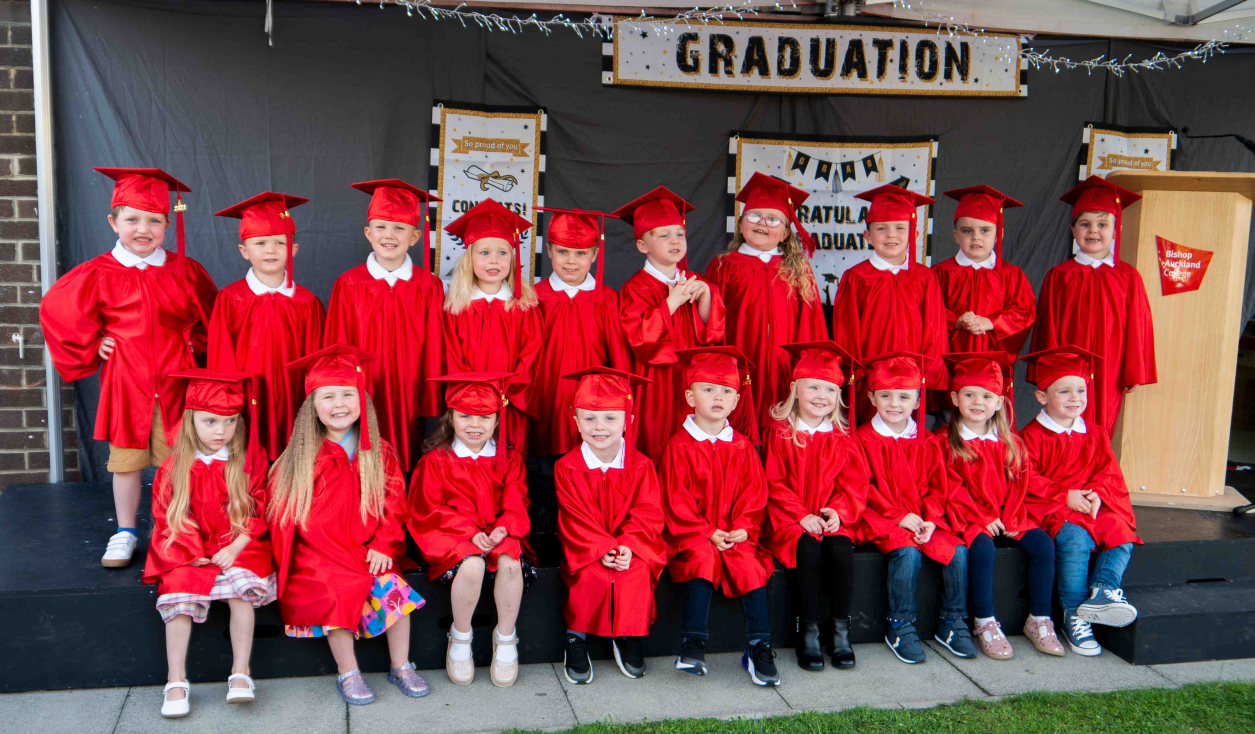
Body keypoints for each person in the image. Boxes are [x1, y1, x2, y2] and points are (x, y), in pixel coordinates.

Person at [40, 166, 217, 568]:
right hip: (126, 382)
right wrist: (92, 341)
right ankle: (125, 532)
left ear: (167, 225)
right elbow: (56, 311)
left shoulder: (184, 269)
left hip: (176, 382)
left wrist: (195, 341)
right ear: (113, 222)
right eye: (132, 219)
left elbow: (213, 318)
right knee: (126, 463)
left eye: (154, 221)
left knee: (179, 463)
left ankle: (175, 530)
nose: (143, 229)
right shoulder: (98, 272)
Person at [269, 345, 427, 705]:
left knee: (395, 593)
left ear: (362, 401)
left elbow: (394, 502)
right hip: (319, 556)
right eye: (328, 396)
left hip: (368, 549)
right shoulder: (298, 457)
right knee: (333, 591)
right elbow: (285, 516)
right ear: (312, 405)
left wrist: (384, 544)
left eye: (347, 394)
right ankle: (348, 671)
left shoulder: (378, 451)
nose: (339, 404)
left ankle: (401, 665)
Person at [142, 370, 274, 718]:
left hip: (238, 544)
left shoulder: (249, 459)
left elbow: (261, 506)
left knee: (240, 593)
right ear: (191, 420)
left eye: (230, 421)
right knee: (179, 595)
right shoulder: (174, 466)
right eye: (210, 421)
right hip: (188, 549)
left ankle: (241, 673)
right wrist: (195, 552)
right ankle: (176, 680)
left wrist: (235, 547)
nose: (221, 431)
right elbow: (167, 515)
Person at [408, 372, 535, 688]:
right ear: (450, 417)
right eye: (465, 415)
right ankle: (460, 635)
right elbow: (428, 509)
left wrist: (504, 528)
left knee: (508, 561)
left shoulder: (508, 458)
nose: (474, 424)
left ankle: (506, 637)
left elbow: (517, 498)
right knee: (474, 562)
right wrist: (468, 532)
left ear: (498, 418)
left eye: (485, 416)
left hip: (500, 534)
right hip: (453, 538)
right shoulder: (437, 460)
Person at [660, 346, 779, 687]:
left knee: (750, 564)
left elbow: (754, 496)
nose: (718, 397)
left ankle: (759, 646)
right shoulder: (678, 446)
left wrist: (743, 528)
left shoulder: (742, 447)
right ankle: (692, 644)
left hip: (735, 535)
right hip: (696, 536)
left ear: (737, 401)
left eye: (727, 391)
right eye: (708, 389)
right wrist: (707, 531)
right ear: (689, 395)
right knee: (701, 559)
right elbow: (675, 500)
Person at [939, 352, 1062, 660]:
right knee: (982, 548)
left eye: (986, 396)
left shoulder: (1011, 442)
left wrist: (1008, 516)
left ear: (999, 402)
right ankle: (984, 622)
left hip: (1010, 515)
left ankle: (1040, 619)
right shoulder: (943, 442)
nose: (977, 402)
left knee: (1044, 545)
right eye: (969, 394)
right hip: (967, 517)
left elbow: (1022, 483)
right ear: (955, 398)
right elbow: (947, 487)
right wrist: (982, 516)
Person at [1020, 346, 1142, 656]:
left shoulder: (1096, 433)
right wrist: (1065, 495)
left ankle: (1103, 590)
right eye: (1065, 391)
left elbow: (1107, 471)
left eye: (1081, 390)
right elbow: (1026, 477)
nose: (1075, 398)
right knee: (1075, 538)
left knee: (1119, 527)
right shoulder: (1031, 437)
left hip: (1089, 503)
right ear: (1042, 396)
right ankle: (1073, 613)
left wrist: (1098, 493)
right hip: (1051, 506)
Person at [856, 351, 976, 664]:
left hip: (924, 520)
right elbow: (862, 488)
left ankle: (953, 621)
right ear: (872, 397)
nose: (894, 404)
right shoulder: (862, 440)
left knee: (957, 550)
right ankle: (900, 625)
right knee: (907, 553)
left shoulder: (928, 441)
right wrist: (899, 516)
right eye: (885, 395)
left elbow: (940, 486)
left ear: (918, 401)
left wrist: (932, 519)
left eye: (903, 396)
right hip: (882, 519)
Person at [760, 341, 871, 671]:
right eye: (813, 387)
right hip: (790, 521)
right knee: (806, 550)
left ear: (838, 395)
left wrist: (837, 512)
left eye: (829, 389)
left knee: (841, 550)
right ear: (795, 388)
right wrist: (800, 516)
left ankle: (839, 631)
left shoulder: (842, 437)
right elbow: (774, 483)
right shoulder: (780, 433)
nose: (821, 395)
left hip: (831, 520)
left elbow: (853, 482)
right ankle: (806, 632)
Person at [323, 179, 446, 472]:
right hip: (364, 388)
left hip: (409, 386)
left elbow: (434, 344)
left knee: (408, 455)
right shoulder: (349, 284)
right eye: (380, 227)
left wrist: (428, 393)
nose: (389, 235)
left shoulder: (428, 286)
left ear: (415, 236)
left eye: (399, 228)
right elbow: (337, 343)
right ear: (368, 233)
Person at [553, 367, 664, 684]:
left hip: (630, 545)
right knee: (589, 574)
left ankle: (628, 633)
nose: (599, 427)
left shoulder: (641, 465)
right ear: (575, 422)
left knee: (637, 571)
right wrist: (601, 549)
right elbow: (576, 516)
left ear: (627, 420)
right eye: (589, 419)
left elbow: (648, 511)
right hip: (587, 548)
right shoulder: (568, 467)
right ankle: (576, 637)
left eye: (610, 418)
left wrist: (628, 545)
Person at [530, 207, 632, 536]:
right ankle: (547, 549)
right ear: (548, 250)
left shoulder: (607, 299)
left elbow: (619, 360)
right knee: (544, 478)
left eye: (580, 253)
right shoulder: (535, 297)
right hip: (546, 402)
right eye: (562, 252)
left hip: (593, 408)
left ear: (594, 254)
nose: (571, 261)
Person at [1029, 176, 1156, 435]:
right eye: (1084, 224)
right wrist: (1046, 371)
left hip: (1112, 364)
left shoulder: (1128, 276)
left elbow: (1138, 326)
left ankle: (1095, 471)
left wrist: (1133, 371)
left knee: (1103, 424)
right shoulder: (1060, 275)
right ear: (1073, 231)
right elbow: (1047, 326)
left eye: (1102, 224)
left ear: (1115, 230)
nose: (1093, 231)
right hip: (1068, 367)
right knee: (1063, 421)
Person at [705, 174, 827, 441]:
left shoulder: (798, 269)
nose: (761, 223)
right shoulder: (724, 265)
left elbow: (811, 324)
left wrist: (808, 371)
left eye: (773, 219)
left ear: (784, 233)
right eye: (753, 216)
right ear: (740, 224)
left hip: (785, 367)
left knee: (781, 428)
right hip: (740, 364)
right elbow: (712, 320)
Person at [209, 192, 325, 461]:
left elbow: (316, 360)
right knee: (247, 456)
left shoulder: (307, 301)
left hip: (293, 397)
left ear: (293, 250)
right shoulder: (231, 299)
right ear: (244, 251)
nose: (270, 250)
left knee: (294, 457)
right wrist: (229, 401)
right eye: (260, 243)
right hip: (248, 397)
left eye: (279, 243)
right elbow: (220, 357)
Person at [614, 187, 726, 462]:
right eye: (663, 235)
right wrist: (671, 302)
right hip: (658, 382)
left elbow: (710, 333)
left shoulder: (693, 279)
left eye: (679, 234)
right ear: (643, 245)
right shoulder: (636, 288)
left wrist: (707, 294)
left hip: (691, 376)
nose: (674, 240)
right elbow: (640, 339)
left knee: (691, 446)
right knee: (658, 441)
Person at [830, 184, 945, 424]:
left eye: (900, 228)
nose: (891, 235)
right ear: (868, 236)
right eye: (881, 228)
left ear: (913, 234)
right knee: (866, 430)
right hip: (870, 378)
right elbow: (846, 331)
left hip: (913, 377)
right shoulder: (857, 276)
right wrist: (858, 374)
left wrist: (924, 373)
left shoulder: (925, 277)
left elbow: (935, 331)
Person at [443, 199, 543, 459]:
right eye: (484, 252)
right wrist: (473, 396)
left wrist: (505, 392)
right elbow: (451, 354)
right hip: (468, 404)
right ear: (469, 258)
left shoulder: (525, 306)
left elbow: (531, 354)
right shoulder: (456, 307)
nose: (494, 260)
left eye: (502, 252)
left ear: (513, 257)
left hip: (510, 400)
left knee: (511, 455)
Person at [932, 185, 1034, 358]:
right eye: (967, 231)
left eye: (985, 230)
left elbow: (1023, 312)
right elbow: (930, 309)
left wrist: (991, 322)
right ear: (956, 236)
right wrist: (957, 321)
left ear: (998, 235)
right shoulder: (940, 272)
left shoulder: (1011, 274)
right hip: (952, 357)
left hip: (993, 361)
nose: (976, 237)